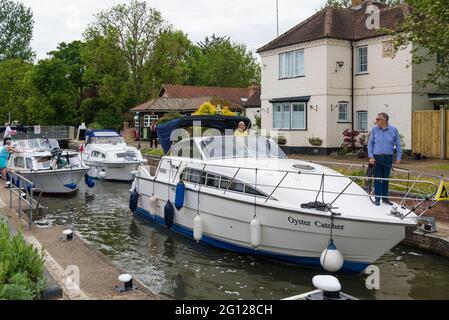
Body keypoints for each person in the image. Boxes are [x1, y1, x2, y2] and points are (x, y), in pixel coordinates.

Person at [368, 112, 402, 206]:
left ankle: (385, 199)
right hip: (376, 158)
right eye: (376, 119)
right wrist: (371, 156)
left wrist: (398, 157)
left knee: (386, 179)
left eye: (378, 119)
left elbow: (398, 145)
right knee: (377, 178)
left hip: (388, 158)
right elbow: (370, 144)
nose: (376, 121)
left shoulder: (394, 130)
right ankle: (377, 199)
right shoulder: (374, 129)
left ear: (384, 120)